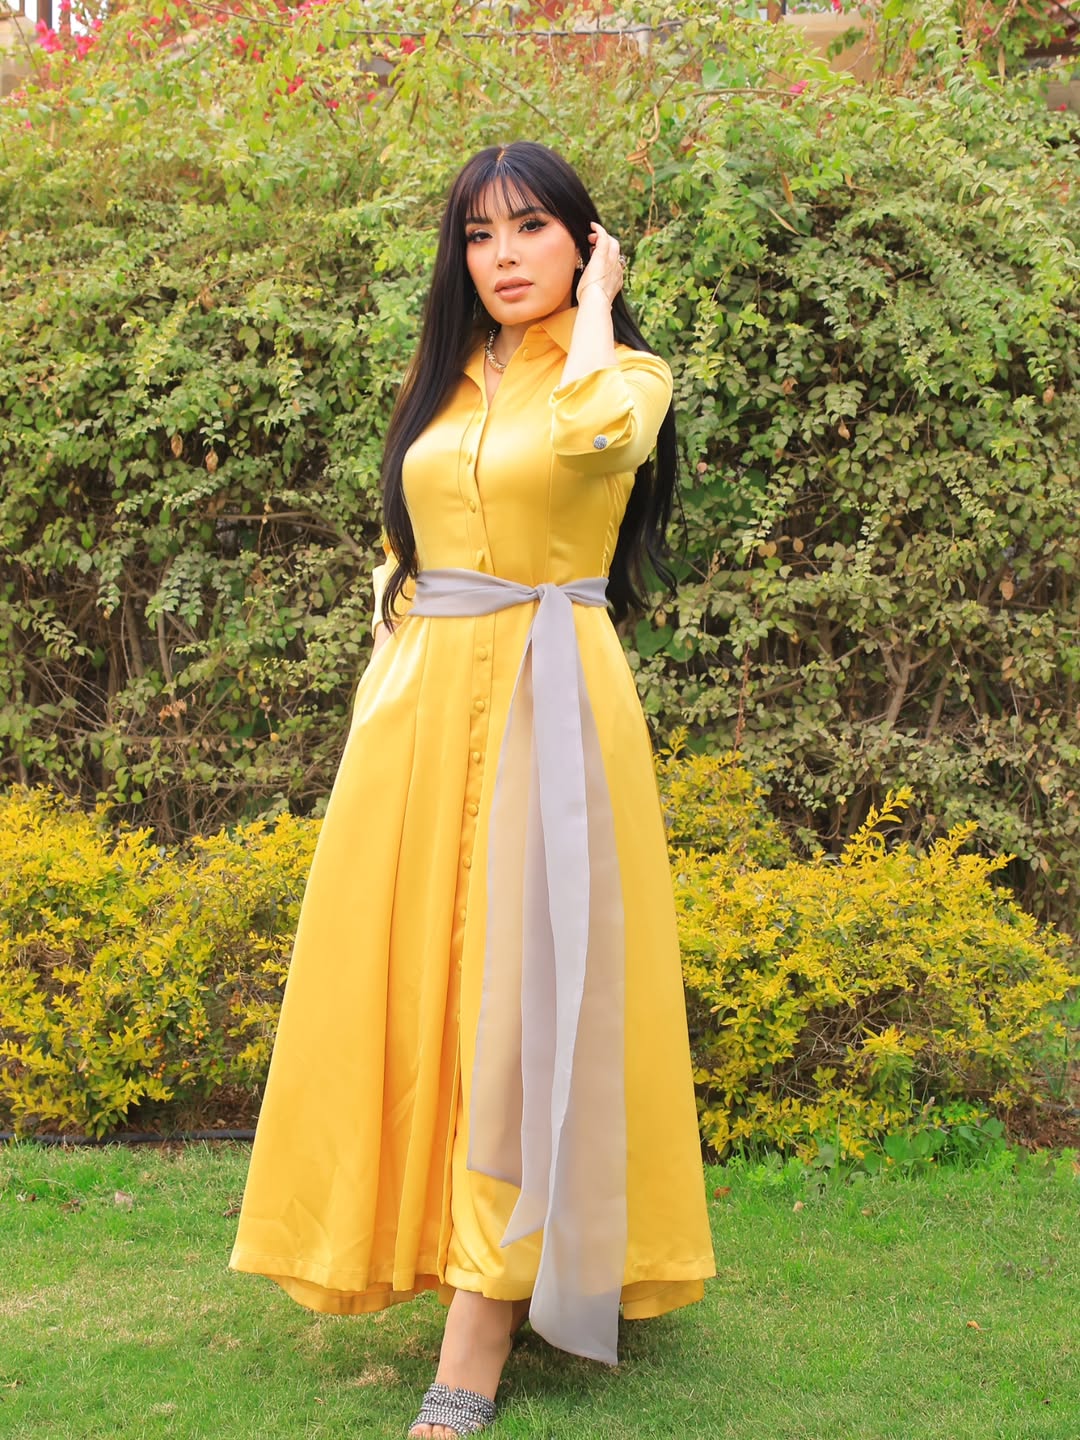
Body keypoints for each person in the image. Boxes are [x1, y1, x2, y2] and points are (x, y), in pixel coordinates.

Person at [228, 140, 716, 1439]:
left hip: (555, 703)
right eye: (479, 235)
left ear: (583, 242)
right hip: (419, 716)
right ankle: (426, 1246)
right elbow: (402, 546)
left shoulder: (624, 374)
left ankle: (481, 1329)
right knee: (410, 989)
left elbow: (600, 439)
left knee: (525, 999)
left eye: (533, 228)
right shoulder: (443, 382)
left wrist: (600, 307)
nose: (503, 256)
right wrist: (382, 685)